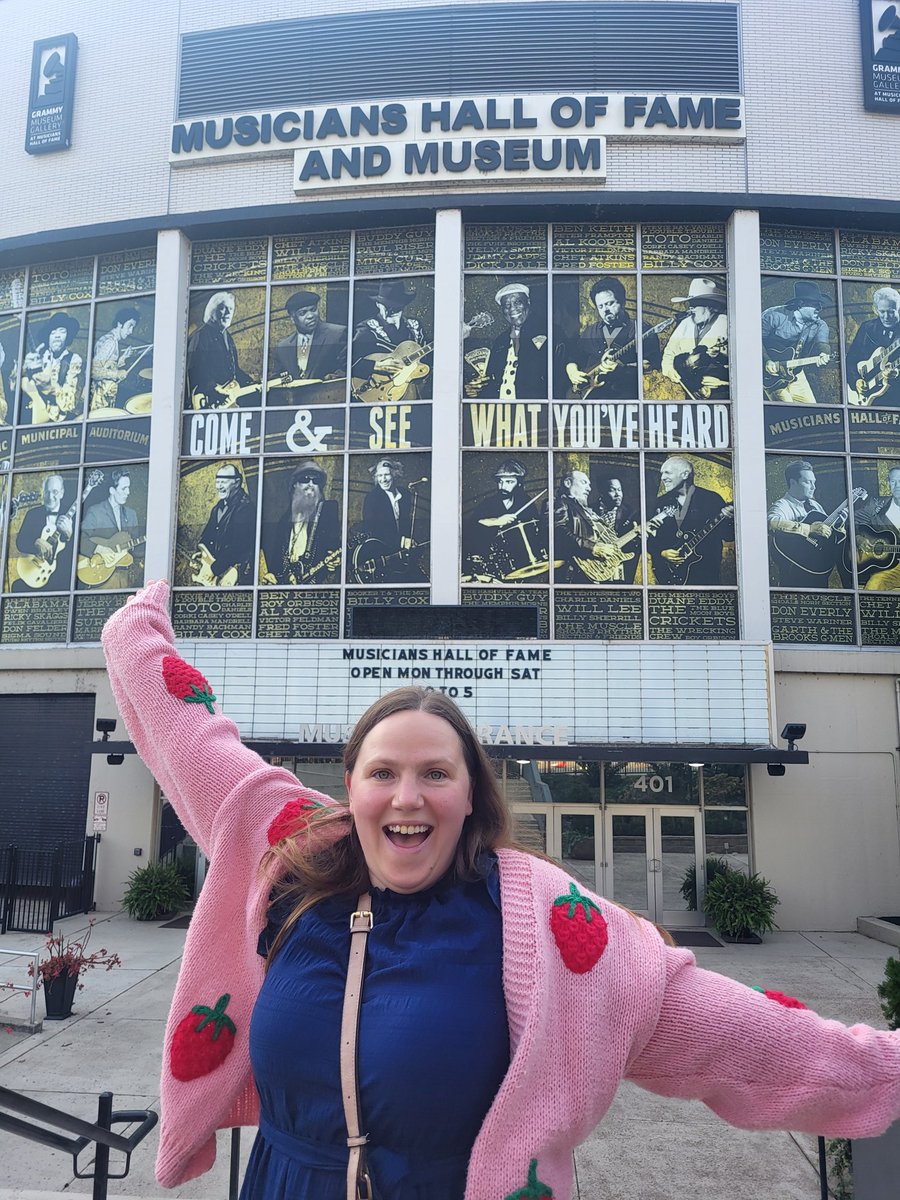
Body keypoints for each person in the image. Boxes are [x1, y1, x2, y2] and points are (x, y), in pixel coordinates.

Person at [101, 581, 900, 1199]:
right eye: (384, 772)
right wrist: (140, 619)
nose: (407, 796)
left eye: (435, 774)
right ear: (352, 788)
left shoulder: (548, 932)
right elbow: (190, 737)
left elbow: (757, 1042)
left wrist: (886, 1069)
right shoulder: (296, 862)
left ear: (474, 797)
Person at [563, 276, 662, 400]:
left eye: (610, 303)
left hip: (624, 397)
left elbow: (652, 365)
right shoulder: (590, 332)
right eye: (601, 306)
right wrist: (572, 371)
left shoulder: (641, 329)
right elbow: (574, 357)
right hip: (589, 396)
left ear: (622, 302)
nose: (606, 310)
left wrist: (623, 369)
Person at [649, 456, 734, 585]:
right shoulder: (660, 503)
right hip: (667, 576)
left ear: (684, 474)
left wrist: (730, 519)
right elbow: (648, 539)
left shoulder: (711, 499)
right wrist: (662, 552)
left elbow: (729, 536)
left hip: (705, 577)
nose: (662, 478)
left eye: (667, 472)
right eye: (662, 473)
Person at [463, 459, 547, 582]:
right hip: (493, 562)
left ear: (519, 483)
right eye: (500, 482)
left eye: (509, 482)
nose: (503, 486)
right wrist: (496, 521)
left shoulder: (524, 501)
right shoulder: (489, 503)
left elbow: (535, 530)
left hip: (521, 560)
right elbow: (471, 526)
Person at [261, 460, 341, 586]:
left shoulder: (327, 511)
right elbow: (277, 563)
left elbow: (334, 547)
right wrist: (272, 575)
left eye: (316, 481)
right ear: (295, 484)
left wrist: (335, 561)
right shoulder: (284, 521)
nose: (311, 484)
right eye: (305, 479)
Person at [351, 280, 430, 403]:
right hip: (378, 394)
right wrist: (377, 366)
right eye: (387, 306)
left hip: (412, 393)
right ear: (378, 304)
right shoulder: (367, 329)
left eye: (396, 307)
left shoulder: (415, 326)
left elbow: (429, 359)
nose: (391, 311)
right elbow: (344, 360)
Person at [465, 283, 547, 401]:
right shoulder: (500, 341)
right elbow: (492, 381)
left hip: (533, 412)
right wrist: (476, 389)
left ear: (528, 302)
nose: (512, 309)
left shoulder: (548, 332)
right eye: (507, 305)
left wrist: (571, 367)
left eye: (518, 302)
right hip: (501, 413)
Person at [554, 466, 633, 584]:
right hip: (576, 573)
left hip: (599, 572)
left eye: (589, 485)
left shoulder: (583, 509)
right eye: (584, 482)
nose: (589, 489)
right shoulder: (559, 503)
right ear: (568, 483)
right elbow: (558, 532)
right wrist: (592, 547)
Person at [767, 460, 839, 588]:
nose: (813, 487)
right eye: (808, 482)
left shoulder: (815, 505)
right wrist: (809, 528)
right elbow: (771, 522)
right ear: (793, 483)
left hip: (818, 571)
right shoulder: (782, 505)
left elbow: (825, 533)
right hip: (794, 575)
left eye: (814, 482)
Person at [761, 281, 832, 404]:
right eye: (815, 305)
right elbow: (753, 341)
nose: (819, 309)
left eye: (820, 305)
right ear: (800, 304)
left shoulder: (820, 325)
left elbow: (823, 344)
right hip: (771, 375)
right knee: (787, 407)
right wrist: (767, 360)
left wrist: (824, 354)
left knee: (812, 410)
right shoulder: (774, 316)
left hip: (797, 374)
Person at [271, 290, 347, 404]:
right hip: (295, 408)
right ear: (292, 318)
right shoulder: (283, 347)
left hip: (330, 403)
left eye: (313, 309)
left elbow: (349, 369)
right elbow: (277, 379)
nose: (310, 316)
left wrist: (335, 377)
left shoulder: (337, 334)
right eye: (303, 313)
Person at [357, 458, 425, 584]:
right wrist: (400, 541)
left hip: (402, 554)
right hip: (382, 555)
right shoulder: (372, 498)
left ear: (395, 474)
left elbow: (406, 524)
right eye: (380, 476)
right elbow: (371, 529)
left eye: (387, 474)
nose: (383, 479)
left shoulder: (405, 495)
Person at [187, 292, 258, 410]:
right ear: (212, 310)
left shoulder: (227, 337)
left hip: (227, 396)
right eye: (222, 308)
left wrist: (251, 382)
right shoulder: (201, 336)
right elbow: (195, 370)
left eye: (230, 309)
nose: (228, 313)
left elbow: (234, 370)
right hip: (210, 398)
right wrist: (214, 388)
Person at [661, 278, 729, 401]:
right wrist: (669, 370)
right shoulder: (685, 323)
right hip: (686, 388)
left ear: (709, 306)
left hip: (719, 393)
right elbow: (669, 352)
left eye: (694, 305)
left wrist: (723, 382)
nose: (690, 309)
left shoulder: (726, 324)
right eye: (690, 305)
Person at [78, 469, 143, 589]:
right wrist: (99, 549)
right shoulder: (95, 511)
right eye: (124, 488)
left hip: (125, 577)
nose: (128, 492)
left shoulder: (131, 514)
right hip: (100, 577)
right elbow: (80, 539)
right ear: (112, 490)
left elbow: (136, 549)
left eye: (129, 488)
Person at [193, 462, 256, 586]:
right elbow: (207, 537)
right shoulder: (217, 508)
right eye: (217, 482)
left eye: (224, 482)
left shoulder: (245, 508)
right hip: (218, 571)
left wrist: (214, 569)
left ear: (237, 483)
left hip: (235, 574)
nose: (219, 486)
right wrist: (202, 554)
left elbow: (239, 546)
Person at [13, 473, 75, 591]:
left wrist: (69, 536)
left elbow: (81, 551)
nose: (50, 496)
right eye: (47, 492)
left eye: (55, 492)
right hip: (34, 570)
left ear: (62, 493)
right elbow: (20, 543)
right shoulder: (32, 514)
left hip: (62, 576)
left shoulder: (74, 516)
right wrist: (35, 542)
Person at [20, 312, 84, 423]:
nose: (57, 335)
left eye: (62, 331)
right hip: (32, 420)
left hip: (61, 425)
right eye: (53, 332)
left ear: (68, 336)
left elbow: (70, 403)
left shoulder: (74, 360)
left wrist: (49, 387)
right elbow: (13, 390)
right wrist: (24, 371)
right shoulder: (38, 358)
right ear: (48, 337)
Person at [846, 286, 900, 407]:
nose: (886, 317)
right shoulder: (867, 328)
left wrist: (897, 374)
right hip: (867, 398)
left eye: (891, 311)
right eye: (882, 312)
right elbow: (851, 360)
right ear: (875, 310)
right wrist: (856, 381)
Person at [89, 307, 144, 412]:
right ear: (120, 324)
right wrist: (117, 374)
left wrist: (123, 358)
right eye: (130, 326)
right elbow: (94, 372)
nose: (131, 331)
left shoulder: (110, 340)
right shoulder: (110, 342)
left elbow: (106, 366)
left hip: (104, 394)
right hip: (100, 398)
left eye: (133, 327)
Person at [854, 464, 900, 590]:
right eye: (893, 481)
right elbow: (852, 522)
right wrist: (858, 538)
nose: (897, 486)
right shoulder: (876, 505)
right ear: (888, 483)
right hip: (889, 567)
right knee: (873, 586)